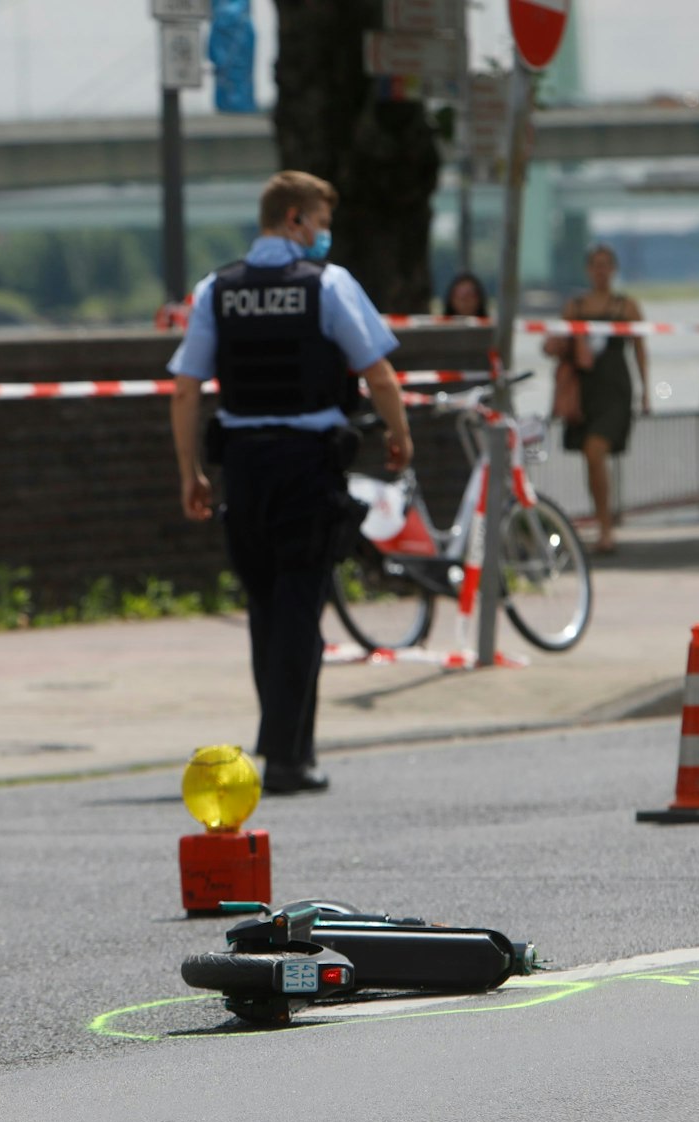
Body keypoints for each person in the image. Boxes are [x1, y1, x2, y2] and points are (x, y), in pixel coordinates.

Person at [169, 170, 413, 795]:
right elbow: (378, 373)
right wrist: (400, 434)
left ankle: (291, 748)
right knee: (302, 607)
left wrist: (190, 472)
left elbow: (187, 388)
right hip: (307, 466)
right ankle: (283, 756)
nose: (324, 238)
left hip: (244, 469)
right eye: (322, 225)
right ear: (296, 219)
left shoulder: (216, 291)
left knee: (266, 609)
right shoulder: (326, 284)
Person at [542, 243, 649, 555]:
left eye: (606, 265)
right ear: (589, 270)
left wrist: (646, 390)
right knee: (592, 457)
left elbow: (641, 349)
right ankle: (602, 521)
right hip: (583, 390)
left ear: (613, 269)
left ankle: (605, 528)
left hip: (614, 389)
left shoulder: (626, 306)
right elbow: (557, 348)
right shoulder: (574, 306)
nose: (601, 271)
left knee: (596, 449)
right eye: (595, 265)